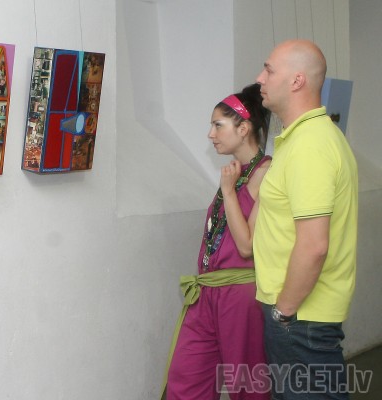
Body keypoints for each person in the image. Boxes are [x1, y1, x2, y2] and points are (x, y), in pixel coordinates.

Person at [254, 39, 358, 399]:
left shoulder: (310, 145)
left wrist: (283, 312)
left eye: (269, 70)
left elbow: (314, 246)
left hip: (300, 318)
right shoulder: (304, 139)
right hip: (301, 316)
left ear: (297, 80)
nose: (260, 78)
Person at [163, 83, 272, 400]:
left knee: (246, 386)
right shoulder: (235, 173)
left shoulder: (267, 173)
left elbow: (246, 246)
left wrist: (228, 191)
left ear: (243, 128)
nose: (211, 134)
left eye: (218, 125)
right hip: (206, 292)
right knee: (185, 377)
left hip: (240, 294)